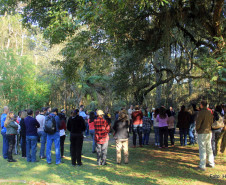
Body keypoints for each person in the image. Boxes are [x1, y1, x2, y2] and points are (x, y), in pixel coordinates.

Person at [196, 100, 214, 171]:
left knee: (202, 148)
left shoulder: (201, 113)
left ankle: (202, 165)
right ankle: (211, 162)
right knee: (209, 148)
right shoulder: (210, 112)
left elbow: (198, 123)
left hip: (202, 132)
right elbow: (212, 122)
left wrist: (197, 130)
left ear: (201, 105)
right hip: (209, 132)